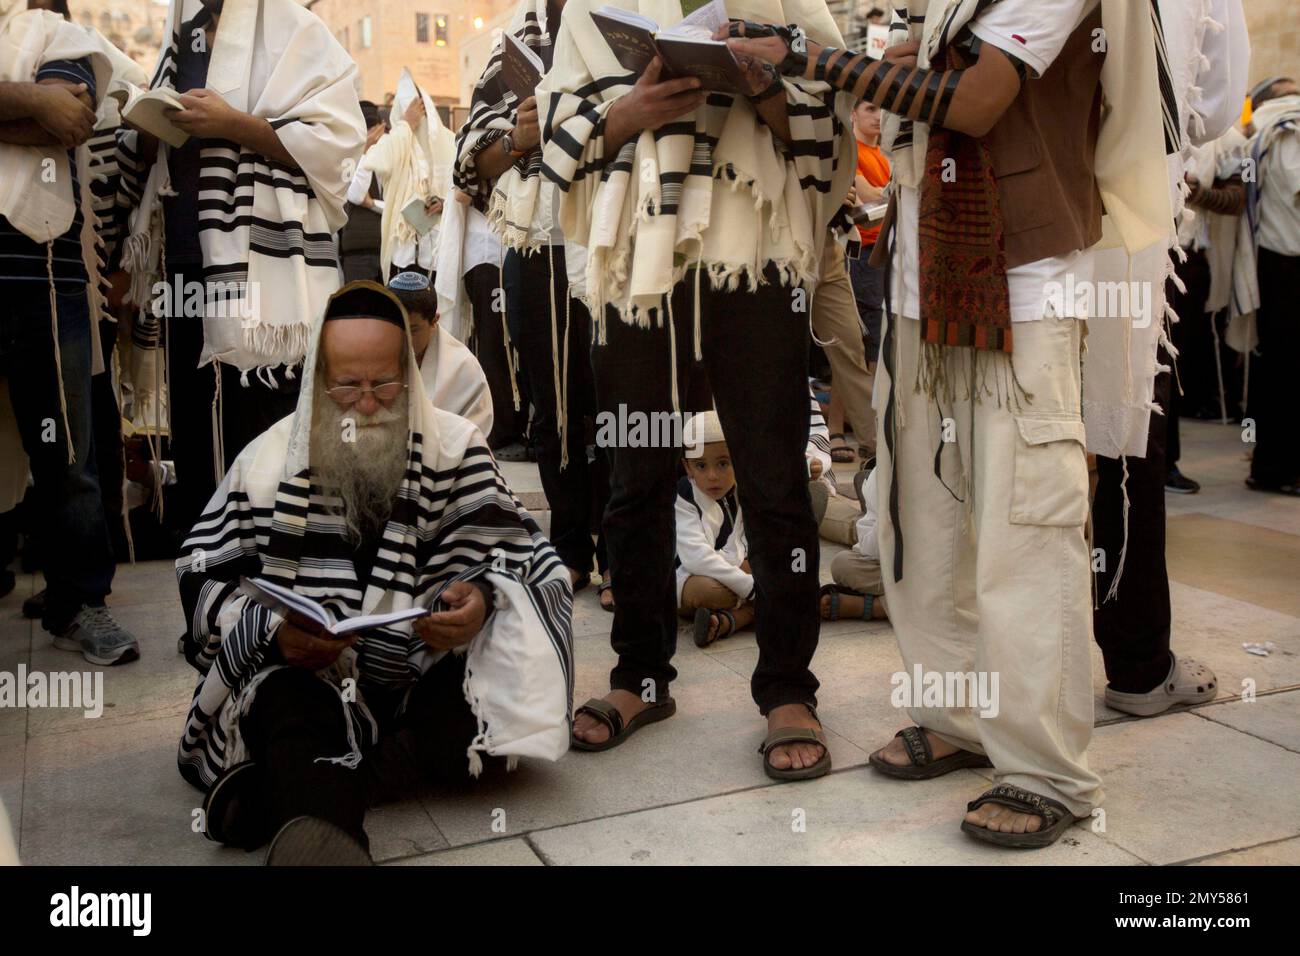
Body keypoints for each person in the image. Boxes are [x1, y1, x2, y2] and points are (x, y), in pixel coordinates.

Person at [727, 0, 1182, 843]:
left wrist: (812, 58)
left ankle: (1046, 770)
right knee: (920, 527)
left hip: (1026, 291)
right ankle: (959, 719)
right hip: (920, 290)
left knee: (1023, 533)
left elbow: (977, 102)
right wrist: (903, 56)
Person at [541, 0, 856, 780]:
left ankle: (789, 689)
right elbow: (552, 125)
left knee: (775, 476)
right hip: (639, 268)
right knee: (635, 477)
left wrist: (766, 88)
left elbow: (833, 132)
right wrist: (625, 114)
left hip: (755, 257)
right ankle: (639, 678)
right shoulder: (592, 7)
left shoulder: (787, 6)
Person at [175, 281, 574, 864]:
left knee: (481, 716)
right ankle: (328, 833)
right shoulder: (264, 460)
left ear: (409, 376)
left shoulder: (456, 447)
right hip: (310, 679)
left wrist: (482, 600)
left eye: (384, 384)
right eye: (346, 386)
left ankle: (293, 785)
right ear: (317, 379)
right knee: (285, 708)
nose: (366, 403)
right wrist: (273, 633)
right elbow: (201, 570)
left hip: (419, 677)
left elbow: (530, 563)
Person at [115, 0, 365, 540]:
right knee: (195, 435)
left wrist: (234, 125)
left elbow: (340, 144)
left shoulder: (297, 31)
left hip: (260, 273)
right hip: (183, 265)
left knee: (264, 435)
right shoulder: (179, 42)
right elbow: (138, 155)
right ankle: (206, 592)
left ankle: (272, 591)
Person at [456, 0, 610, 604]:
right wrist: (518, 141)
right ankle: (570, 549)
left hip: (615, 233)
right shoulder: (514, 47)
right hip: (536, 243)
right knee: (552, 402)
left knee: (622, 399)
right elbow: (471, 159)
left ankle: (626, 552)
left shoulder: (623, 23)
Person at [0, 0, 139, 663]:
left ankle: (78, 602)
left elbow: (67, 119)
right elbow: (40, 113)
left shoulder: (62, 36)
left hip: (44, 278)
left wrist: (35, 106)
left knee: (67, 460)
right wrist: (25, 104)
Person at [1242, 76, 1300, 496]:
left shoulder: (1264, 130)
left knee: (1275, 367)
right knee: (1285, 371)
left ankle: (1271, 465)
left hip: (1271, 260)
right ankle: (1278, 468)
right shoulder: (1290, 129)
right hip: (1288, 264)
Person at [360, 70, 455, 282]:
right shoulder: (397, 141)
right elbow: (375, 161)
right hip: (402, 252)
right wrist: (406, 126)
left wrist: (444, 203)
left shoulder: (449, 143)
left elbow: (462, 192)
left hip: (438, 252)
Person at [672, 411, 756, 650]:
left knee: (773, 566)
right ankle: (755, 607)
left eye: (723, 464)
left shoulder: (739, 492)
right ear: (687, 467)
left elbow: (743, 544)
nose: (712, 476)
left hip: (728, 569)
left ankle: (725, 622)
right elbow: (696, 558)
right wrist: (748, 586)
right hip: (690, 578)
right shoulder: (683, 497)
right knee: (709, 592)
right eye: (701, 465)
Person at [386, 270, 493, 437]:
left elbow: (474, 433)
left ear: (435, 321)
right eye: (396, 327)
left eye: (412, 330)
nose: (403, 338)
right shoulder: (372, 356)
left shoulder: (463, 367)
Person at [820, 465, 888, 623]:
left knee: (948, 590)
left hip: (940, 574)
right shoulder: (886, 470)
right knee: (842, 564)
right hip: (899, 567)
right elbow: (874, 549)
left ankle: (878, 607)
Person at [339, 100, 387, 284]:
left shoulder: (387, 156)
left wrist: (373, 204)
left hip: (386, 249)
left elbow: (397, 204)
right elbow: (356, 195)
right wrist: (365, 150)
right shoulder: (347, 157)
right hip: (357, 251)